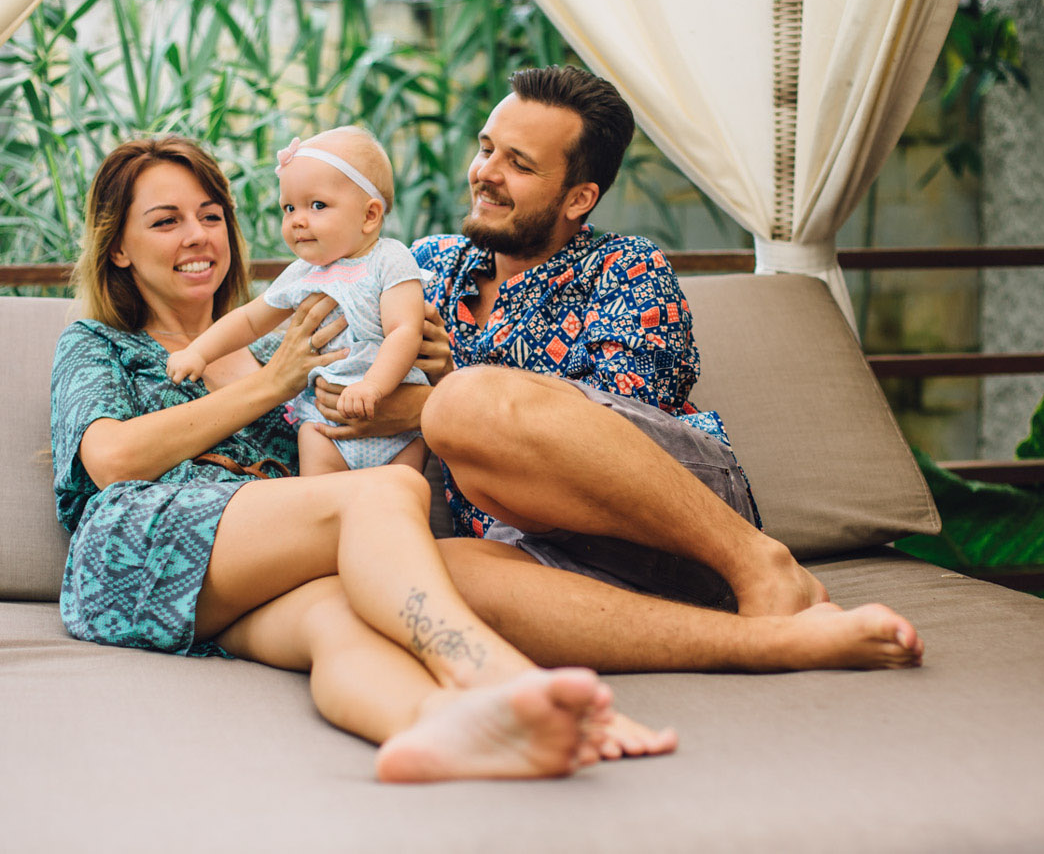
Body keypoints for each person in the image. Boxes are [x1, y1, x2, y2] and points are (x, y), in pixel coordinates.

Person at [50, 135, 678, 783]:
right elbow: (112, 459)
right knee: (384, 492)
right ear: (118, 247)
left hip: (235, 581)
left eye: (212, 216)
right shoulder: (100, 343)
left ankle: (443, 723)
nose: (198, 236)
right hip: (130, 552)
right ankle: (495, 673)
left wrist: (431, 373)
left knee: (342, 618)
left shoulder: (299, 338)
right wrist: (271, 386)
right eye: (166, 220)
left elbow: (377, 410)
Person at [304, 65, 927, 673]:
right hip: (537, 552)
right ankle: (760, 640)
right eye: (486, 149)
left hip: (675, 524)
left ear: (580, 198)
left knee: (459, 405)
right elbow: (321, 355)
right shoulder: (425, 268)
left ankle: (760, 565)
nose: (485, 175)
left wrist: (436, 396)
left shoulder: (626, 268)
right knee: (429, 579)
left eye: (519, 164)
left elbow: (607, 434)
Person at [167, 127, 426, 476]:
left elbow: (404, 330)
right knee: (317, 489)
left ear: (370, 215)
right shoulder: (302, 273)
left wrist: (372, 386)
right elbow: (248, 320)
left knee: (402, 497)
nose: (297, 220)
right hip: (324, 422)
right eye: (288, 207)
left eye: (317, 205)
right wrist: (199, 352)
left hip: (394, 422)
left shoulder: (389, 260)